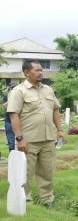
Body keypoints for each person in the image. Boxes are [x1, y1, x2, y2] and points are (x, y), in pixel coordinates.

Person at [7, 60, 64, 207]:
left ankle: (47, 200)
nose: (41, 72)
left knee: (47, 172)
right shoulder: (18, 91)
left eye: (41, 70)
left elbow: (55, 110)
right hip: (28, 140)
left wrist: (60, 130)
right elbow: (14, 116)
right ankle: (25, 202)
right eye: (37, 70)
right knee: (24, 173)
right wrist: (19, 138)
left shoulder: (48, 90)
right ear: (26, 73)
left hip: (48, 139)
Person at [3, 82, 18, 152]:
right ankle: (12, 160)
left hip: (19, 122)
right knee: (11, 142)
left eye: (15, 88)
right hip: (9, 122)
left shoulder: (20, 96)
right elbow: (5, 106)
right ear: (9, 89)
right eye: (12, 88)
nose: (13, 89)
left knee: (20, 141)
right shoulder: (7, 96)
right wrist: (11, 98)